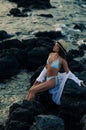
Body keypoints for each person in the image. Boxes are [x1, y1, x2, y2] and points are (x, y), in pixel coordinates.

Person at [26, 39, 86, 104]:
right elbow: (46, 68)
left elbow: (69, 73)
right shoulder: (50, 54)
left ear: (59, 48)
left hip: (53, 81)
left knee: (33, 90)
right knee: (31, 89)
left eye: (56, 45)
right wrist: (39, 79)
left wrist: (79, 81)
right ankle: (26, 103)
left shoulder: (62, 60)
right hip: (46, 78)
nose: (54, 46)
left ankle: (27, 105)